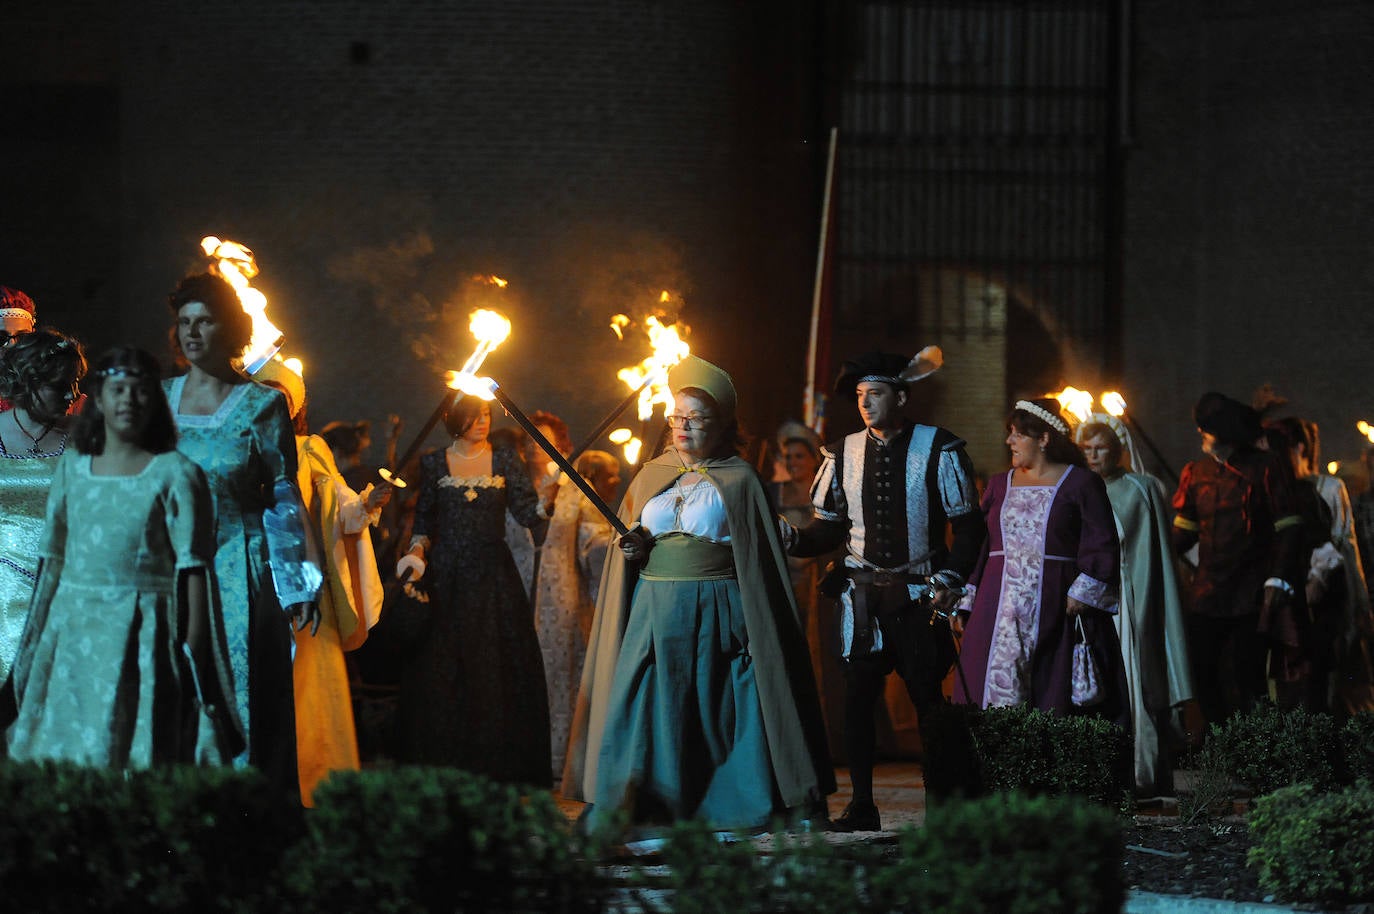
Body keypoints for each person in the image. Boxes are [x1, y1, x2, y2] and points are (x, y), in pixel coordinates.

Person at [565, 355, 833, 836]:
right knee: (647, 703)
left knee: (720, 706)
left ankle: (731, 802)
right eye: (676, 417)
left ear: (722, 425)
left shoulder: (740, 478)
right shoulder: (651, 474)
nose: (683, 427)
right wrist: (633, 546)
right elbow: (636, 541)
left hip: (718, 608)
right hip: (654, 610)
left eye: (696, 418)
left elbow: (757, 551)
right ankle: (637, 803)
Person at [4, 347, 243, 766]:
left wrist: (190, 654)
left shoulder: (177, 474)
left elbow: (193, 570)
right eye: (118, 390)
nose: (128, 402)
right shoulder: (75, 468)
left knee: (133, 739)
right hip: (74, 624)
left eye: (139, 392)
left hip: (143, 626)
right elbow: (53, 560)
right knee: (73, 741)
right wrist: (37, 644)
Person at [784, 350, 982, 832]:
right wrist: (791, 537)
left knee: (927, 700)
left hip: (920, 597)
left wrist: (951, 580)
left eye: (875, 394)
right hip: (861, 596)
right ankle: (862, 807)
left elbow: (970, 528)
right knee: (858, 700)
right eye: (859, 396)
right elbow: (828, 531)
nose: (865, 404)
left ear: (901, 396)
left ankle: (943, 807)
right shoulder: (839, 452)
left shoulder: (941, 448)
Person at [162, 272, 321, 793]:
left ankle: (248, 829)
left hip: (240, 571)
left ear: (227, 328)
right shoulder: (155, 401)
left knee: (248, 700)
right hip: (169, 574)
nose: (191, 332)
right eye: (184, 321)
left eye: (204, 321)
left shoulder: (261, 406)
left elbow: (282, 495)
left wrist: (298, 583)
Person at [393, 396, 552, 786]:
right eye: (473, 416)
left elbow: (528, 514)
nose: (482, 423)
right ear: (454, 419)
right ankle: (444, 765)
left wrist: (548, 496)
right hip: (446, 576)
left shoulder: (505, 459)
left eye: (485, 416)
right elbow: (424, 524)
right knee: (444, 666)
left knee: (493, 665)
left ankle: (495, 768)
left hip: (492, 577)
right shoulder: (433, 463)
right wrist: (415, 555)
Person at [257, 358, 391, 804]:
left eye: (283, 397)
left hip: (303, 581)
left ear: (293, 405)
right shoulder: (236, 444)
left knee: (310, 683)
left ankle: (315, 781)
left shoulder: (311, 448)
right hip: (254, 577)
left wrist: (368, 503)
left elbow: (340, 508)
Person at [952, 399, 1128, 729]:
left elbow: (1102, 541)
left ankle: (1046, 775)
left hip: (1055, 606)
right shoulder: (999, 485)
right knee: (988, 688)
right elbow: (982, 544)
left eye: (1018, 435)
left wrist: (1085, 591)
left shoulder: (1080, 483)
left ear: (1044, 439)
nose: (1010, 442)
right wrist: (968, 599)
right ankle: (994, 774)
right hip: (998, 607)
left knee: (1050, 690)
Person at [1170, 392, 1303, 729]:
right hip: (1207, 593)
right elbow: (1183, 532)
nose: (1201, 434)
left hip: (1252, 593)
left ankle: (1257, 749)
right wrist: (1144, 538)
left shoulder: (1266, 468)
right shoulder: (1196, 472)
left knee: (1248, 674)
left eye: (1207, 429)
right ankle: (1225, 738)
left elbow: (1289, 527)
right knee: (1201, 670)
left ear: (1225, 435)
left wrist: (1277, 579)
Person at [1077, 415, 1193, 795]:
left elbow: (1151, 554)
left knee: (1135, 681)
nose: (1093, 456)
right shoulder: (1077, 488)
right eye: (1087, 449)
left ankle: (1143, 773)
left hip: (1128, 600)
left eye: (1101, 448)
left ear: (1117, 450)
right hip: (1092, 602)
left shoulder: (1140, 489)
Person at [531, 419, 617, 780]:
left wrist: (613, 545)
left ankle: (556, 762)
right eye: (529, 441)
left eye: (542, 441)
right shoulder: (515, 485)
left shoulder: (574, 489)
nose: (534, 447)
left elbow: (593, 539)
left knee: (559, 679)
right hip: (513, 593)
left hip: (559, 599)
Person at [0, 328, 87, 682]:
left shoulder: (86, 435)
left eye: (76, 382)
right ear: (29, 382)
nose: (73, 394)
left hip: (69, 585)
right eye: (61, 385)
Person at [769, 421, 848, 761]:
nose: (793, 461)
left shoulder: (825, 491)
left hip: (816, 582)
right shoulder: (775, 493)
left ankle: (830, 740)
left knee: (822, 655)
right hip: (784, 580)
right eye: (788, 456)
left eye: (799, 455)